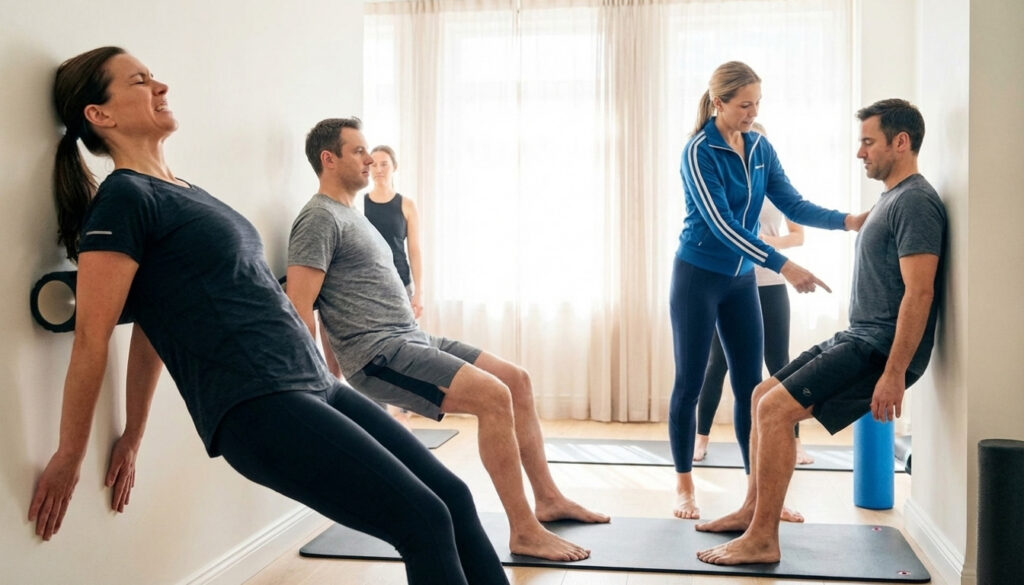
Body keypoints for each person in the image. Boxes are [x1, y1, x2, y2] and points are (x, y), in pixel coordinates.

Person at [28, 47, 509, 585]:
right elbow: (93, 337)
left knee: (453, 498)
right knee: (422, 521)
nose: (160, 87)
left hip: (311, 382)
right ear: (100, 115)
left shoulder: (183, 191)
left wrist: (134, 431)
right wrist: (71, 451)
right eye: (140, 81)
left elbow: (151, 324)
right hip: (258, 403)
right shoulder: (123, 199)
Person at [286, 117, 609, 562]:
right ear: (329, 158)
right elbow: (300, 306)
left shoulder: (350, 215)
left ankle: (549, 498)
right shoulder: (318, 218)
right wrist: (323, 385)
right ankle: (524, 531)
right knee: (494, 397)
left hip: (412, 338)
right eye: (358, 151)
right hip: (380, 354)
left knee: (516, 380)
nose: (369, 159)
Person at [696, 98, 946, 565]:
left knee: (772, 410)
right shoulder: (891, 198)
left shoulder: (915, 202)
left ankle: (763, 538)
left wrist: (894, 374)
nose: (860, 153)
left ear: (901, 142)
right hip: (859, 335)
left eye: (868, 142)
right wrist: (846, 219)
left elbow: (920, 294)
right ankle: (751, 511)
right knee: (760, 395)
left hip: (877, 346)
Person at [669, 61, 867, 520]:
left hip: (740, 281)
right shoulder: (698, 152)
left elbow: (791, 201)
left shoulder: (759, 145)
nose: (752, 112)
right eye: (743, 105)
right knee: (690, 383)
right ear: (718, 103)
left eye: (757, 103)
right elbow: (721, 227)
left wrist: (846, 221)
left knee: (751, 387)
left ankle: (755, 494)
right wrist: (785, 265)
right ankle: (683, 485)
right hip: (698, 276)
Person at [693, 122, 813, 467]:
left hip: (772, 281)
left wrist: (765, 247)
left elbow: (798, 235)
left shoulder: (774, 186)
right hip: (731, 280)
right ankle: (701, 439)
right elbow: (719, 228)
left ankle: (794, 442)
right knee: (717, 365)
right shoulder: (725, 182)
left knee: (779, 362)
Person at [365, 145, 423, 318]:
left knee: (406, 338)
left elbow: (414, 250)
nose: (378, 169)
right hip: (368, 283)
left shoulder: (407, 205)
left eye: (384, 164)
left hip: (400, 281)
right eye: (374, 165)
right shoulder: (359, 204)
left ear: (394, 167)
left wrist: (419, 291)